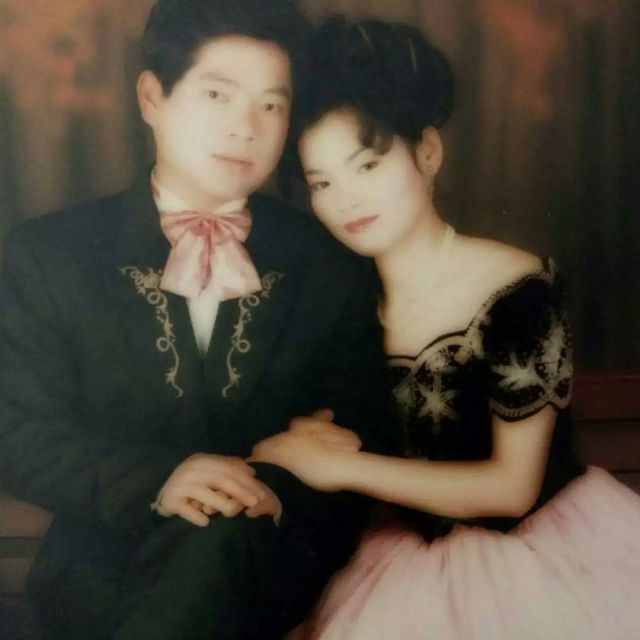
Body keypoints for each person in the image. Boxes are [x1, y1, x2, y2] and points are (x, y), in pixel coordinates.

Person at [0, 4, 396, 639]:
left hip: (270, 556)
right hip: (106, 564)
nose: (245, 127)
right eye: (217, 94)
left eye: (271, 105)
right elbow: (16, 433)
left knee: (226, 538)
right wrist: (161, 479)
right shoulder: (50, 255)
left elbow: (367, 427)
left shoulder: (328, 261)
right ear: (152, 97)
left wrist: (271, 490)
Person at [253, 16, 640, 640]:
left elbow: (512, 490)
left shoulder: (517, 289)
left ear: (428, 152)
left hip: (538, 560)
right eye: (323, 183)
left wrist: (341, 468)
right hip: (390, 557)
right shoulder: (341, 301)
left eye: (367, 165)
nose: (347, 199)